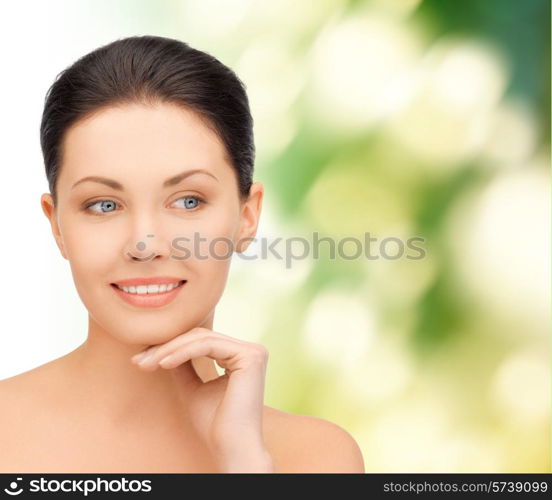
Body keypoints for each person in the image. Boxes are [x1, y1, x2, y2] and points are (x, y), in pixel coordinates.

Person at [0, 35, 365, 473]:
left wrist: (245, 464)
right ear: (56, 223)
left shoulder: (315, 458)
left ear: (247, 217)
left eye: (188, 201)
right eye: (104, 205)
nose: (145, 245)